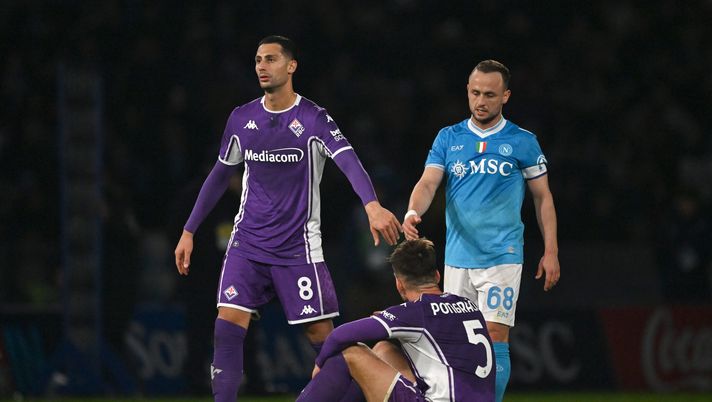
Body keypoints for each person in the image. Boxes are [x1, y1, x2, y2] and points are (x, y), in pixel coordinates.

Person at [173, 35, 402, 402]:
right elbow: (219, 175)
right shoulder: (242, 118)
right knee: (227, 328)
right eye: (258, 60)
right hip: (246, 245)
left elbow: (347, 159)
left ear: (291, 66)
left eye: (271, 59)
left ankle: (369, 393)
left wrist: (372, 205)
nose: (262, 66)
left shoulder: (313, 118)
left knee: (325, 341)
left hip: (297, 251)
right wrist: (189, 230)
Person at [402, 60, 560, 402]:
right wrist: (414, 211)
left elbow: (543, 198)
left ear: (505, 96)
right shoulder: (449, 137)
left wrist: (551, 251)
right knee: (459, 342)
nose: (481, 101)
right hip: (458, 257)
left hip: (502, 256)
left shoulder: (523, 141)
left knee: (494, 335)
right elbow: (429, 182)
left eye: (490, 94)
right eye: (475, 93)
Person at [297, 238, 495, 402]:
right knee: (384, 349)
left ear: (399, 284)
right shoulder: (468, 305)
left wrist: (320, 363)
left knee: (352, 353)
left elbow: (340, 335)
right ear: (436, 275)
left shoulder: (415, 313)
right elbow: (439, 327)